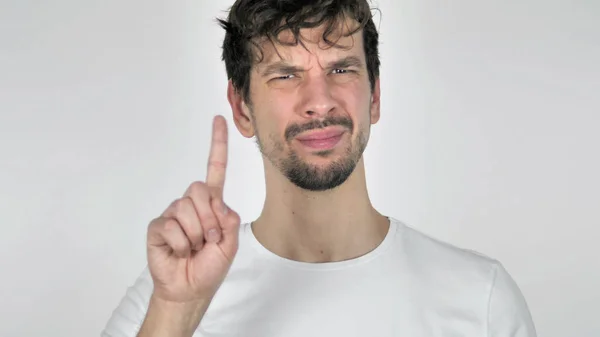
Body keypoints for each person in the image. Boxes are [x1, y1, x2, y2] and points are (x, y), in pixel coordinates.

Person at [101, 1, 537, 336]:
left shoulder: (481, 299)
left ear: (375, 97)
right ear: (242, 108)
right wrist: (178, 312)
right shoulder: (169, 295)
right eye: (285, 75)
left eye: (341, 68)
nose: (320, 101)